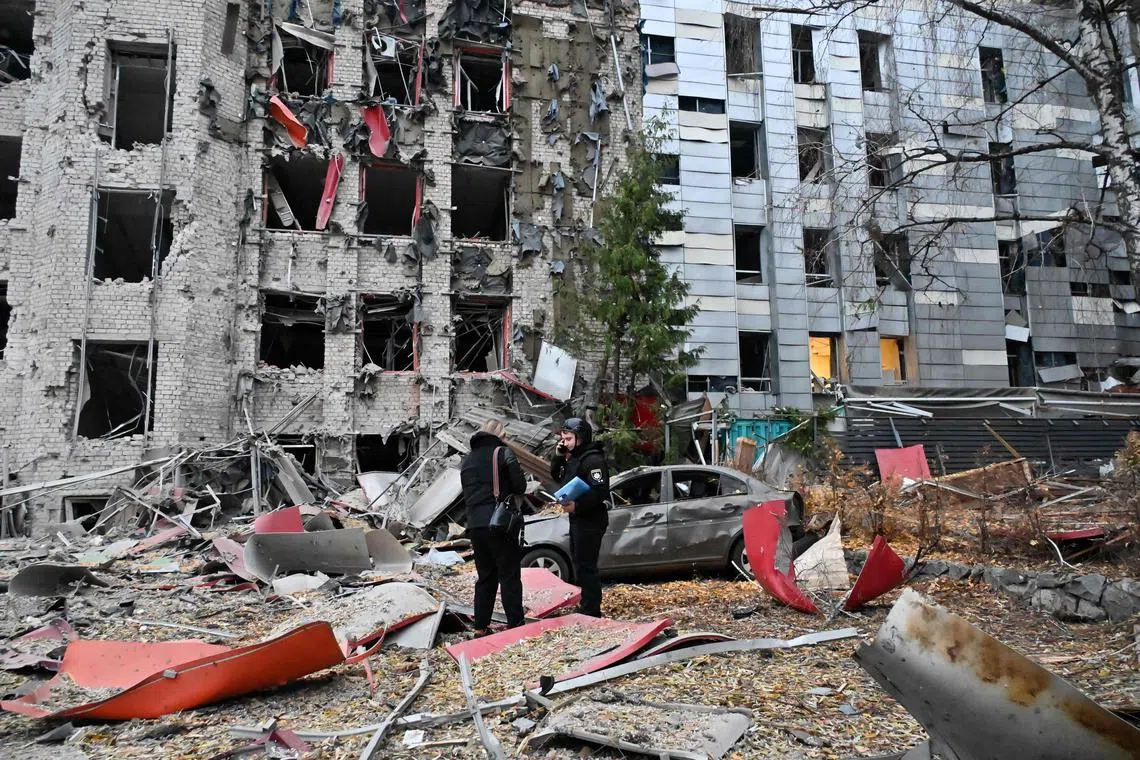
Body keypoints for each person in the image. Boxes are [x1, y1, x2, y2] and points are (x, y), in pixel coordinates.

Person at [460, 419, 527, 635]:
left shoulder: (467, 460)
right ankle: (515, 625)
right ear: (499, 435)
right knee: (509, 576)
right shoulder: (502, 453)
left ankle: (480, 626)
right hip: (499, 524)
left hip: (475, 525)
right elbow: (520, 486)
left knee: (486, 577)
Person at [550, 416, 610, 617]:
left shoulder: (593, 460)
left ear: (581, 437)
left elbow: (600, 490)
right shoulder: (574, 458)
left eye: (568, 439)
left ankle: (592, 609)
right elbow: (557, 477)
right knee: (579, 562)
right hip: (579, 518)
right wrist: (559, 455)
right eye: (563, 439)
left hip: (591, 518)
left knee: (587, 565)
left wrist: (577, 506)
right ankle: (586, 603)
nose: (564, 442)